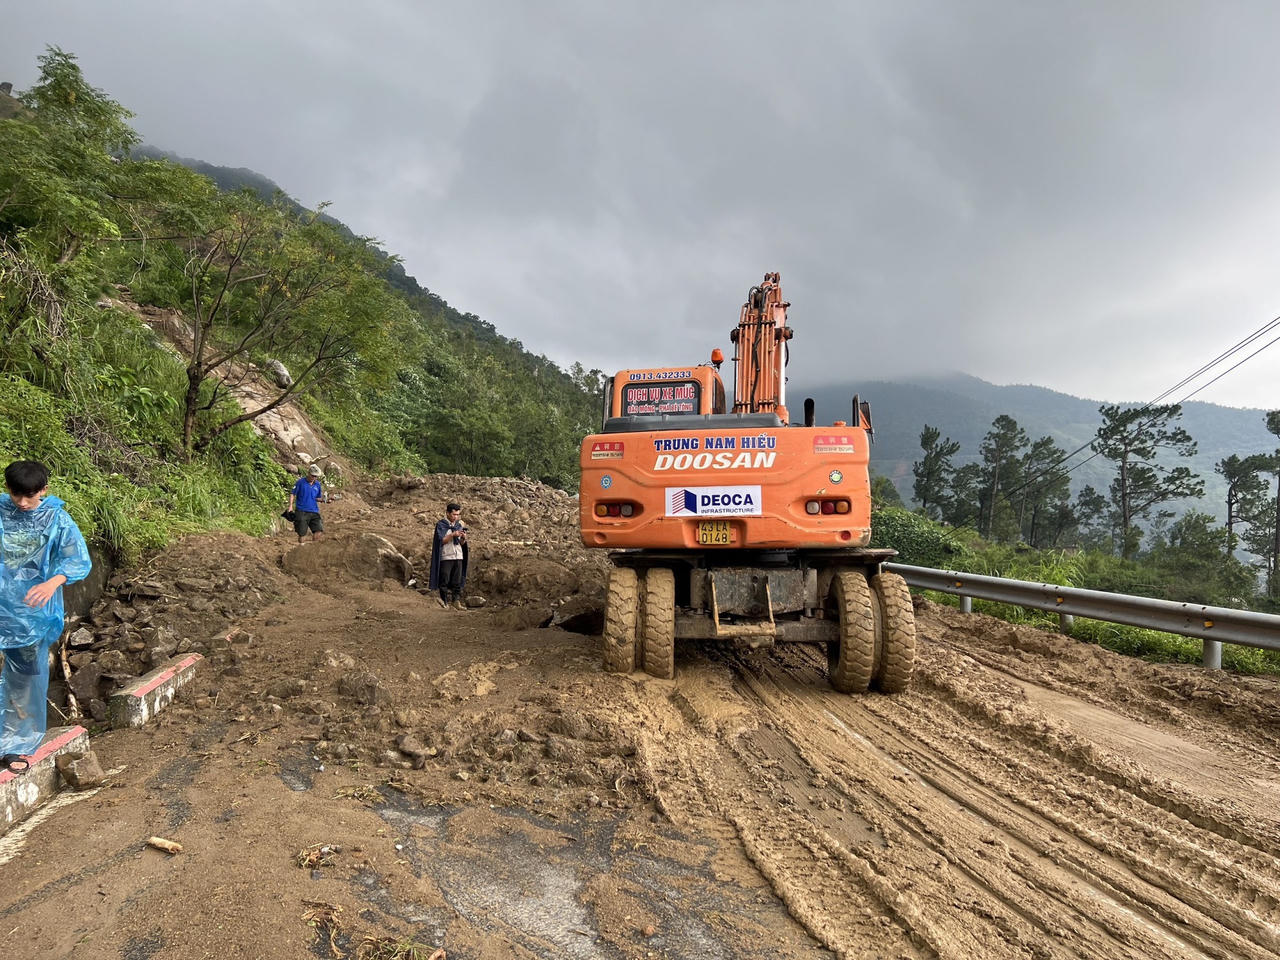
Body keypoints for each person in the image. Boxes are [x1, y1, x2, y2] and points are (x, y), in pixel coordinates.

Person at [0, 460, 91, 775]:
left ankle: (15, 745)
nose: (22, 503)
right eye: (15, 495)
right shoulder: (1, 512)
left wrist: (52, 582)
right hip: (2, 607)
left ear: (43, 490)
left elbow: (78, 560)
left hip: (32, 616)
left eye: (29, 496)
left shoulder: (57, 520)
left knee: (25, 681)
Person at [429, 502, 469, 610]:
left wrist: (463, 538)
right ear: (447, 513)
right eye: (453, 514)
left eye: (457, 515)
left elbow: (461, 543)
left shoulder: (459, 525)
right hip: (446, 556)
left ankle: (456, 601)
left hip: (458, 556)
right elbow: (441, 541)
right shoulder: (441, 525)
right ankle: (444, 601)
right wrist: (452, 534)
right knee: (444, 580)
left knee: (457, 581)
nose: (455, 517)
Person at [287, 463, 325, 543]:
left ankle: (313, 548)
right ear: (308, 473)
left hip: (314, 511)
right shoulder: (300, 482)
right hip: (301, 511)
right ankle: (301, 550)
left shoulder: (317, 484)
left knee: (318, 530)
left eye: (316, 476)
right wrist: (290, 506)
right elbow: (292, 493)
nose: (314, 478)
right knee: (302, 533)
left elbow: (317, 498)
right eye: (313, 476)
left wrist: (324, 500)